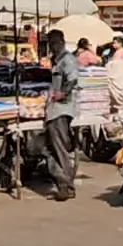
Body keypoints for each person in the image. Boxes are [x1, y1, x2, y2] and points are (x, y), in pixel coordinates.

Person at [44, 30, 79, 200]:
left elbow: (72, 80)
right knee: (51, 149)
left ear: (62, 42)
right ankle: (64, 185)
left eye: (55, 42)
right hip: (53, 110)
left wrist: (63, 93)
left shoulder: (67, 60)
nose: (53, 46)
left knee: (59, 150)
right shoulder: (56, 61)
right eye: (50, 43)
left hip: (62, 109)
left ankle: (67, 187)